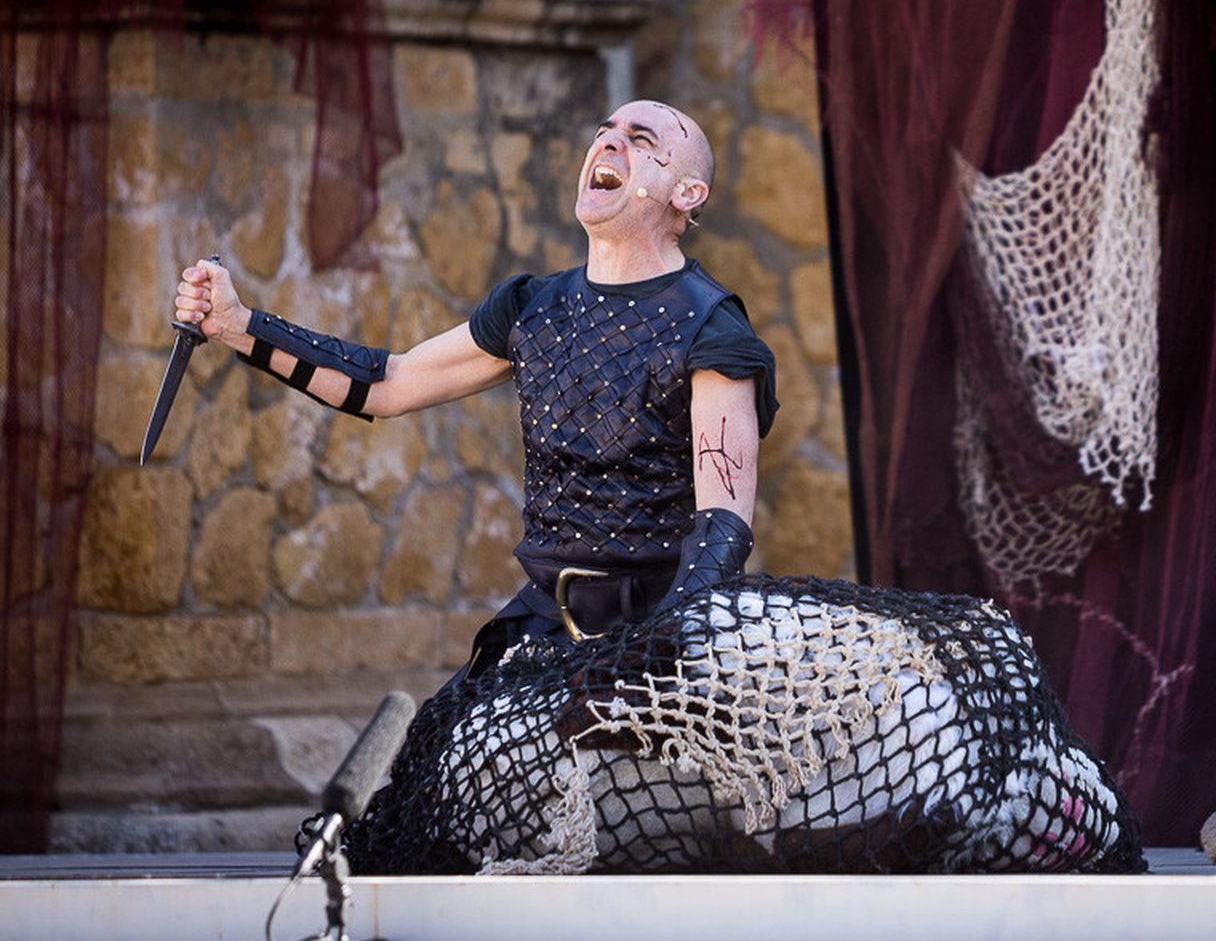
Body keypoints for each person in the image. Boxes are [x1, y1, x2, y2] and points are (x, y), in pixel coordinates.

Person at [174, 100, 777, 680]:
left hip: (661, 627)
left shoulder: (712, 329)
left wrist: (661, 652)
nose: (609, 141)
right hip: (544, 623)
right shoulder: (532, 309)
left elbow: (722, 523)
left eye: (641, 140)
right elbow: (387, 383)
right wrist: (239, 325)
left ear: (686, 194)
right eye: (605, 131)